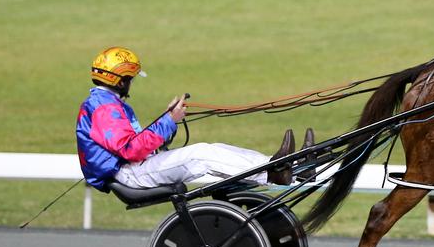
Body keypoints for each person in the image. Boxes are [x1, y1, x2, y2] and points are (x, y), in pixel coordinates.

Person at [75, 46, 296, 191]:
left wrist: (168, 118)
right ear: (121, 81)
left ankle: (279, 166)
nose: (131, 83)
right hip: (128, 174)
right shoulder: (104, 108)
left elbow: (137, 144)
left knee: (212, 149)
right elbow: (130, 150)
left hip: (134, 167)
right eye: (130, 79)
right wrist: (169, 120)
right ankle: (272, 171)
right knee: (201, 155)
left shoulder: (107, 104)